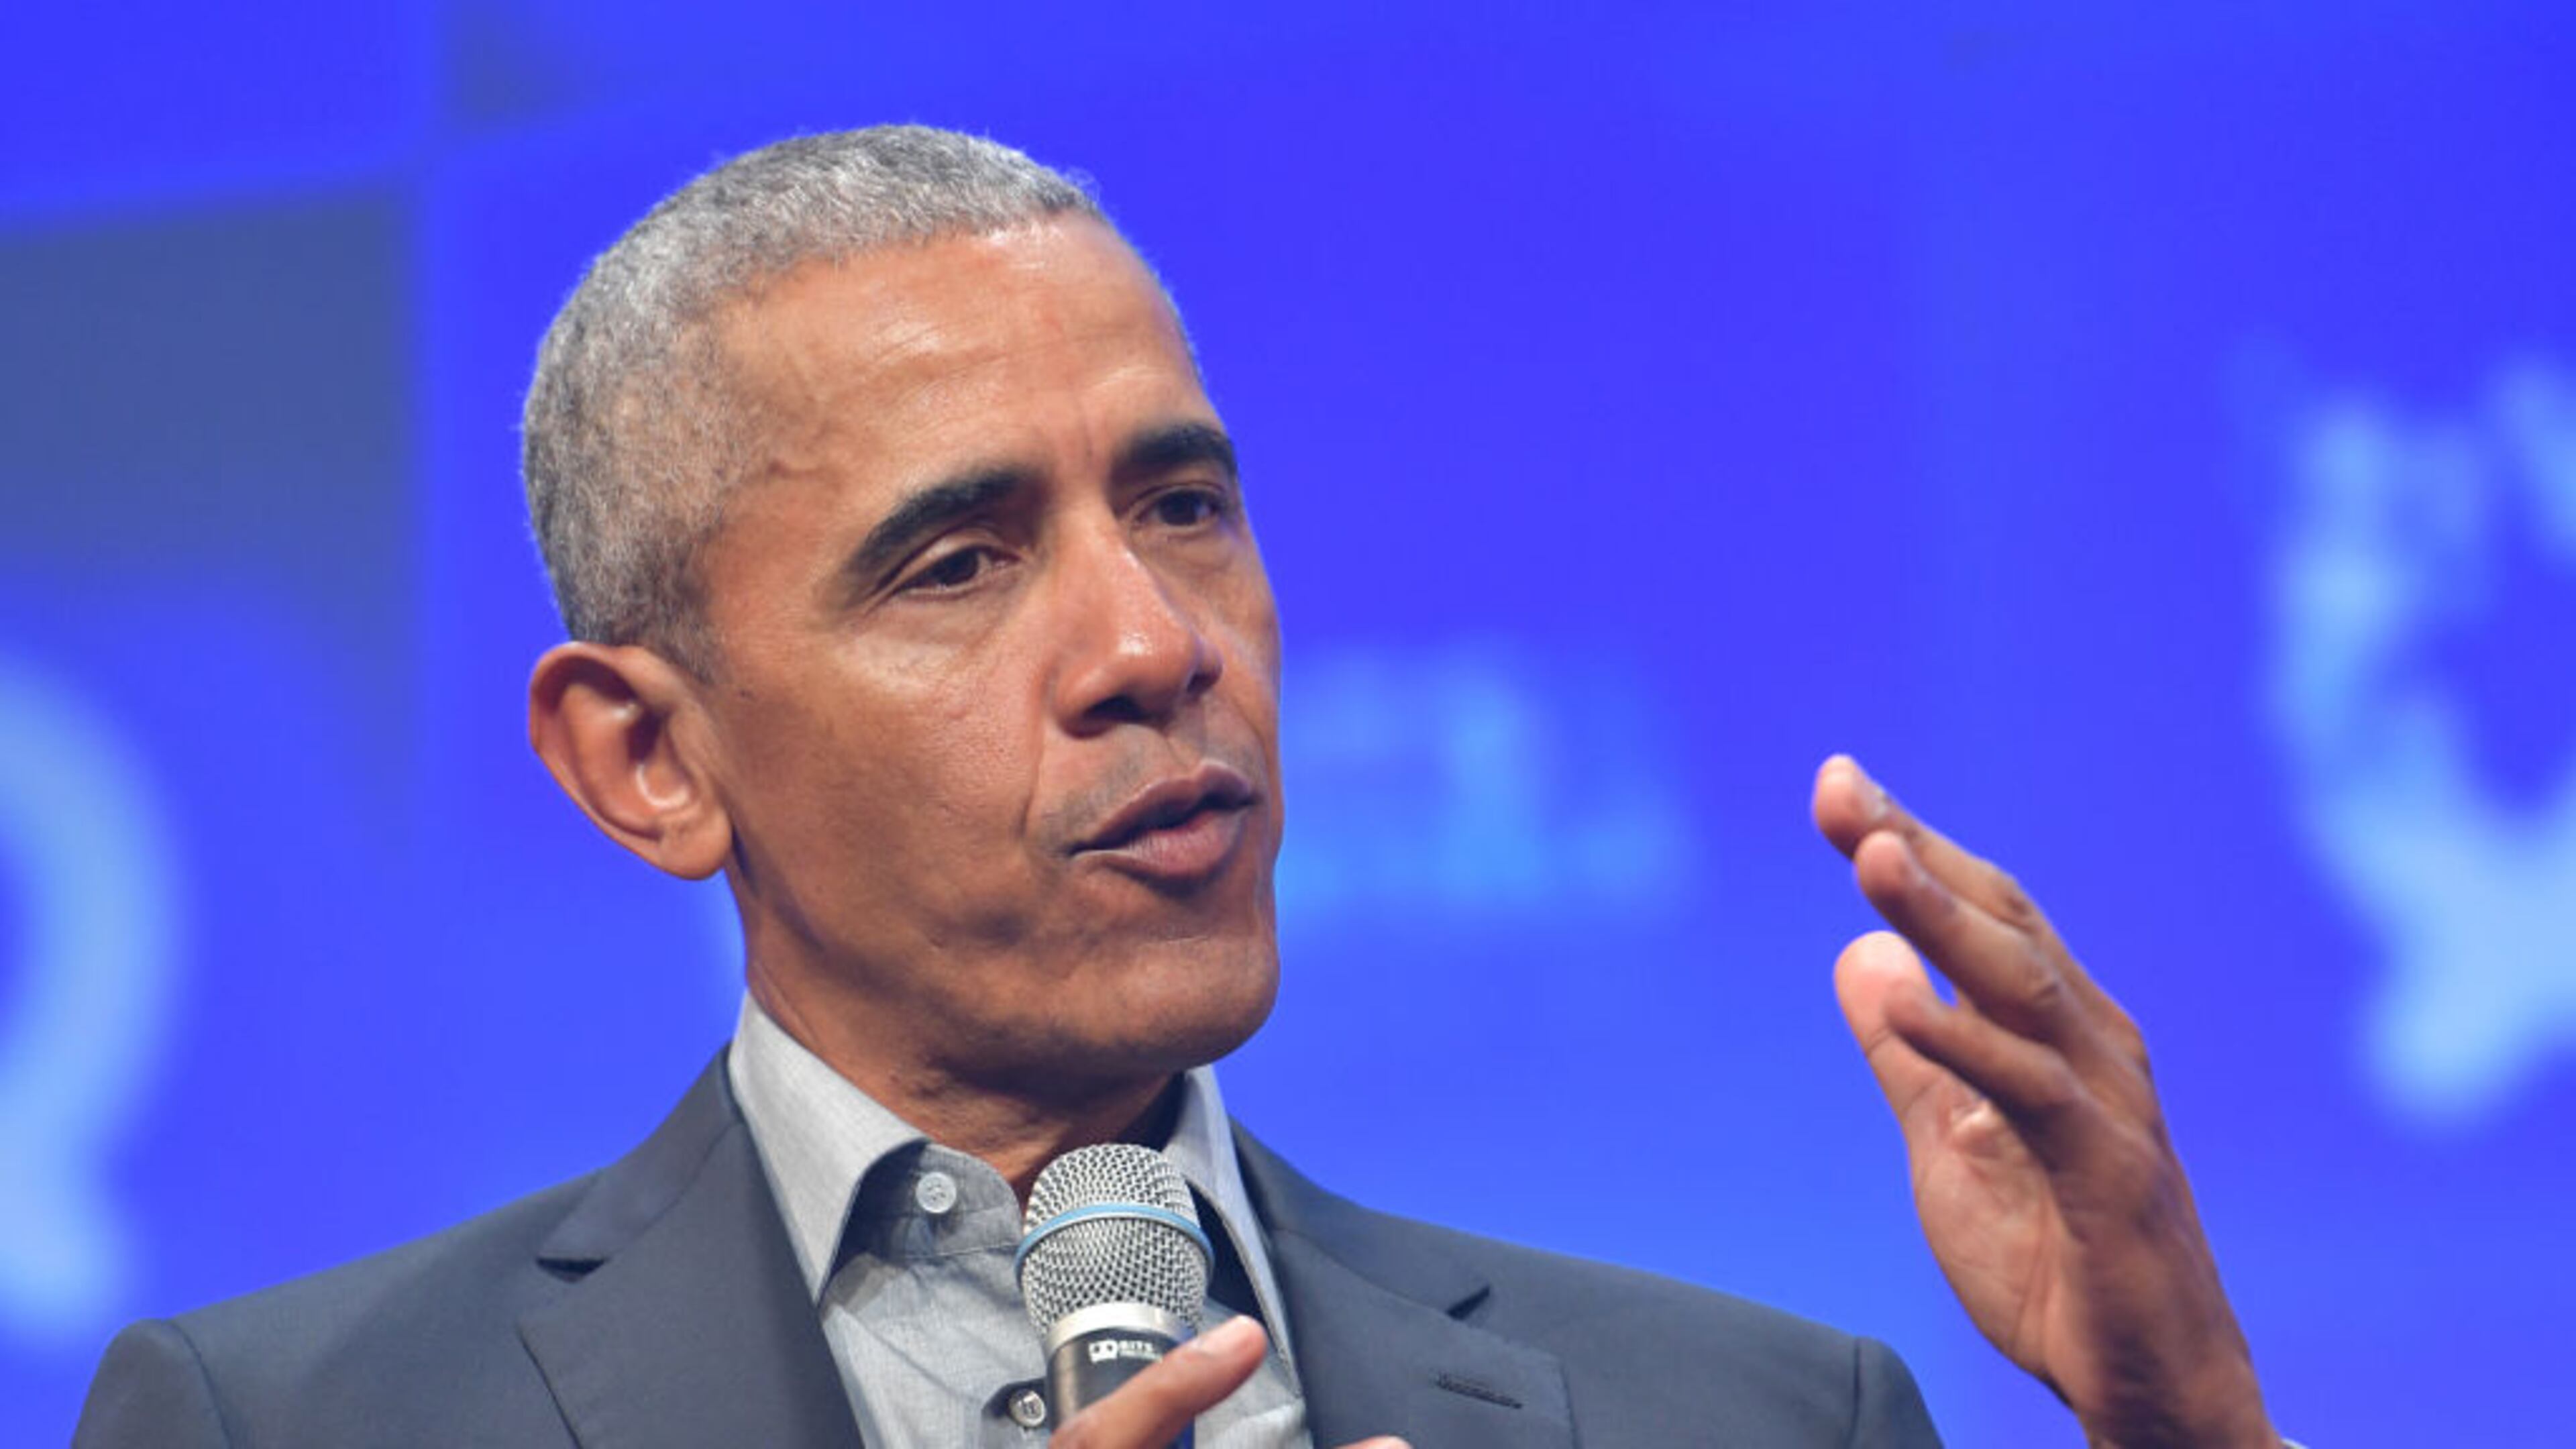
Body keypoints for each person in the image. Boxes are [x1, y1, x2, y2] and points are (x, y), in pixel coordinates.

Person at [72, 125, 2286, 1448]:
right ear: (650, 758)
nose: (1154, 645)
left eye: (1187, 505)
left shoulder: (1753, 1422)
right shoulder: (298, 1428)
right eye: (958, 563)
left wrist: (2183, 1436)